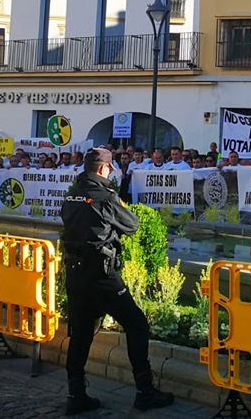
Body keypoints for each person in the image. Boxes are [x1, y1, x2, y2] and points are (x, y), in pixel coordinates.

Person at [59, 148, 174, 415]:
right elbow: (131, 225)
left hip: (75, 274)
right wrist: (118, 202)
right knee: (137, 325)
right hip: (102, 275)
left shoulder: (72, 193)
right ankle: (145, 392)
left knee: (81, 334)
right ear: (102, 169)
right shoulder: (106, 196)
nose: (111, 173)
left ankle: (75, 395)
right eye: (110, 169)